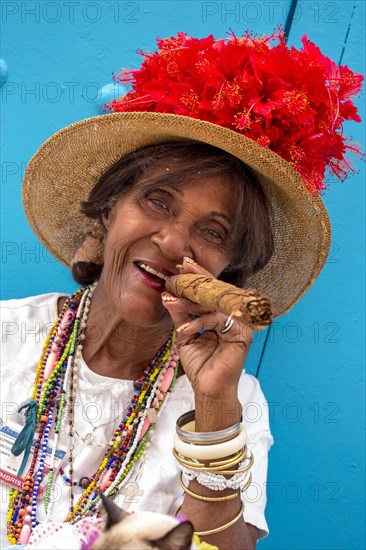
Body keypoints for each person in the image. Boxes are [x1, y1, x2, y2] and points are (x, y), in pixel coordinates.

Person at [1, 30, 363, 549]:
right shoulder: (7, 334)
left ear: (228, 270)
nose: (173, 243)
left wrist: (214, 406)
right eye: (157, 201)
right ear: (109, 210)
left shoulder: (238, 403)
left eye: (213, 232)